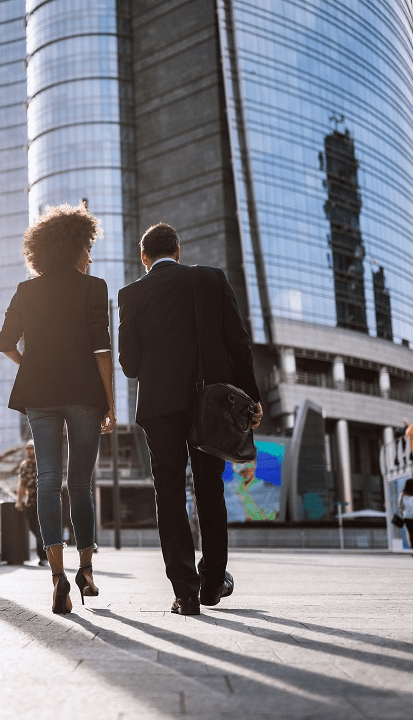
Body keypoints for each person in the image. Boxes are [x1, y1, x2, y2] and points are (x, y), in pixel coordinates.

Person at [118, 223, 263, 615]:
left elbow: (130, 366)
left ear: (144, 258)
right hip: (210, 404)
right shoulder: (211, 279)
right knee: (209, 489)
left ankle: (184, 591)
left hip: (159, 406)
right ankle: (213, 582)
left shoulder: (131, 294)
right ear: (178, 251)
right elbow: (239, 342)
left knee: (168, 492)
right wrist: (251, 399)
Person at [0, 202, 115, 614]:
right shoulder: (93, 287)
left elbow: (5, 343)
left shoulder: (26, 290)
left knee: (47, 482)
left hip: (39, 395)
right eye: (87, 247)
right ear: (73, 248)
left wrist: (31, 365)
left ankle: (56, 578)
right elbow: (103, 349)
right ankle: (86, 571)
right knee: (79, 484)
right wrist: (110, 403)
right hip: (84, 394)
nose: (90, 256)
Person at [15, 440, 48, 566]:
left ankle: (43, 557)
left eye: (31, 448)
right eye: (27, 449)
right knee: (32, 528)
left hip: (44, 502)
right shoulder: (24, 465)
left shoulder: (44, 463)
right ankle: (45, 553)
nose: (29, 451)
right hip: (30, 502)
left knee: (40, 530)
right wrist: (19, 500)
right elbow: (22, 484)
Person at [397, 477, 413, 554]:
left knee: (411, 533)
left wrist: (402, 514)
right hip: (408, 517)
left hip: (407, 517)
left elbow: (400, 507)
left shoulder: (402, 495)